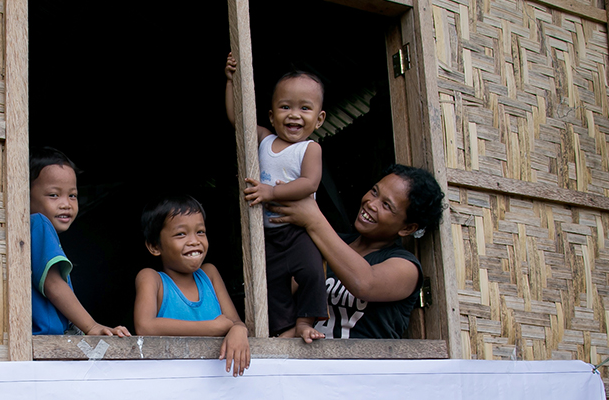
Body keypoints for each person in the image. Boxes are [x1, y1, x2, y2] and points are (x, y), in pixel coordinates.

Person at [267, 164, 445, 339]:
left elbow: (364, 283)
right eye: (374, 192)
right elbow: (285, 290)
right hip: (309, 362)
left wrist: (314, 220)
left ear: (407, 228)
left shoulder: (406, 267)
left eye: (386, 205)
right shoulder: (328, 241)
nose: (371, 204)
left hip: (361, 367)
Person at [224, 53, 328, 342]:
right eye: (285, 107)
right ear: (272, 115)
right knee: (271, 283)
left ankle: (306, 322)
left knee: (311, 272)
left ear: (319, 119)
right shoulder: (265, 140)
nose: (294, 114)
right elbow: (237, 120)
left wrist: (272, 192)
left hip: (297, 232)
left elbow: (309, 184)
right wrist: (231, 80)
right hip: (267, 234)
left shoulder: (309, 149)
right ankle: (284, 329)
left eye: (305, 108)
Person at [134, 195, 250, 377]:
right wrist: (211, 328)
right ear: (155, 246)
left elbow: (233, 322)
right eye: (181, 234)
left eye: (200, 232)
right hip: (171, 381)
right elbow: (145, 326)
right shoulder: (152, 279)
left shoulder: (209, 275)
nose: (194, 241)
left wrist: (238, 330)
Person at [30, 147, 130, 337]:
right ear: (24, 195)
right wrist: (91, 326)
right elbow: (53, 284)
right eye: (54, 195)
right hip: (46, 339)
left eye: (72, 195)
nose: (66, 204)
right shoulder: (39, 223)